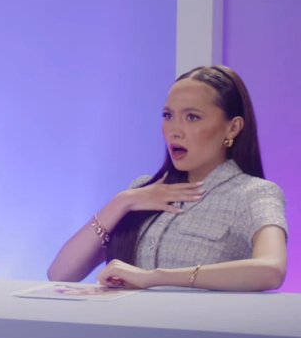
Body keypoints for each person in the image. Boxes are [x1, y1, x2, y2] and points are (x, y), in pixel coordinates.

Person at [48, 65, 287, 291]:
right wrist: (122, 202)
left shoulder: (254, 193)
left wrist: (155, 277)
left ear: (232, 127)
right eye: (168, 115)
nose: (174, 130)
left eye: (192, 117)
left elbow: (271, 270)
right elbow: (61, 274)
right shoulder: (141, 191)